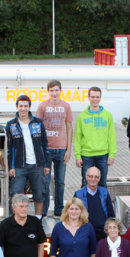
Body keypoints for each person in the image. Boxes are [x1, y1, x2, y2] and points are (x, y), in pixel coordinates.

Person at [5, 94, 50, 217]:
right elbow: (10, 148)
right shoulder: (11, 125)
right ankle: (16, 219)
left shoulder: (38, 122)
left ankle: (38, 218)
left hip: (37, 165)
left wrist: (46, 164)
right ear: (17, 107)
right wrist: (11, 167)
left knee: (39, 193)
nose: (23, 108)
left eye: (26, 106)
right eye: (21, 106)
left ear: (29, 107)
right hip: (19, 166)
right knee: (16, 193)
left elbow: (45, 144)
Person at [36, 80, 73, 218]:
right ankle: (44, 210)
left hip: (61, 149)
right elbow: (37, 128)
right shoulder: (42, 106)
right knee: (45, 181)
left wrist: (69, 149)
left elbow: (69, 127)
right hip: (46, 150)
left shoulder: (66, 106)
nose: (54, 93)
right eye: (51, 90)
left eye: (56, 90)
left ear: (60, 91)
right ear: (48, 92)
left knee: (60, 181)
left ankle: (59, 209)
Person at [73, 86, 115, 183]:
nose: (95, 99)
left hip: (103, 154)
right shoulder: (81, 117)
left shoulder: (107, 115)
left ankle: (102, 199)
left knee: (102, 183)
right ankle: (84, 199)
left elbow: (111, 136)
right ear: (88, 98)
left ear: (100, 98)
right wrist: (78, 156)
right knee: (85, 183)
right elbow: (77, 138)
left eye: (97, 97)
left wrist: (111, 154)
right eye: (93, 97)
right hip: (87, 155)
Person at [73, 166, 115, 241]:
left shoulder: (104, 192)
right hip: (86, 233)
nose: (93, 179)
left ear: (99, 179)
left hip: (103, 233)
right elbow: (73, 216)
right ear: (86, 177)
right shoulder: (78, 194)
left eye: (96, 177)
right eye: (91, 176)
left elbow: (111, 214)